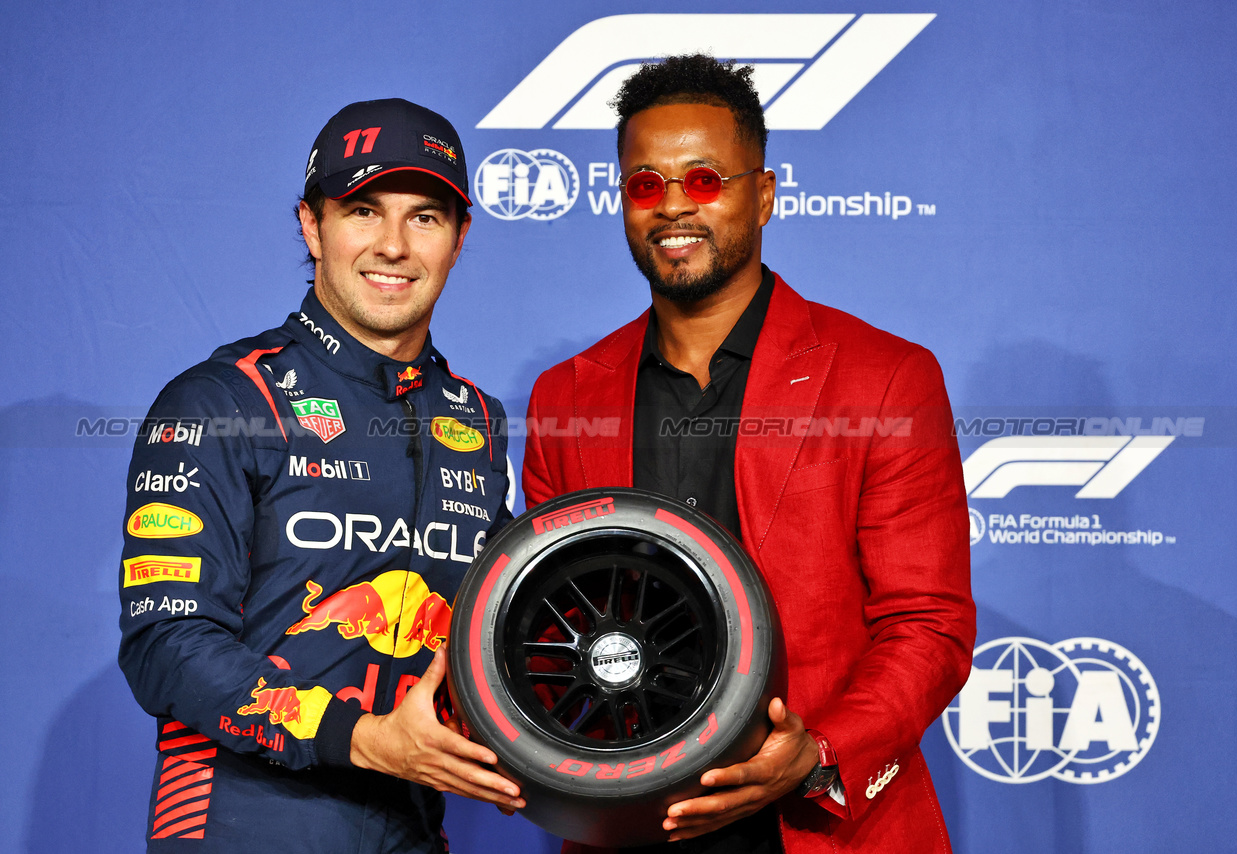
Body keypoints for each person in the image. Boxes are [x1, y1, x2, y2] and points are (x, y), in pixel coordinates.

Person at [522, 56, 976, 853]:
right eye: (644, 185)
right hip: (629, 828)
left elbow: (927, 625)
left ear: (762, 195)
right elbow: (549, 621)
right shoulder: (567, 396)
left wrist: (817, 755)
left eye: (704, 181)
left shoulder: (885, 378)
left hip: (818, 825)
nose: (672, 208)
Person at [118, 98, 523, 852]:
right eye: (363, 210)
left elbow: (489, 630)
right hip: (242, 822)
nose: (394, 245)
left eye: (426, 217)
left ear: (460, 238)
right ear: (312, 225)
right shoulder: (224, 400)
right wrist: (360, 738)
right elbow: (165, 643)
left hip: (412, 827)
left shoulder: (474, 422)